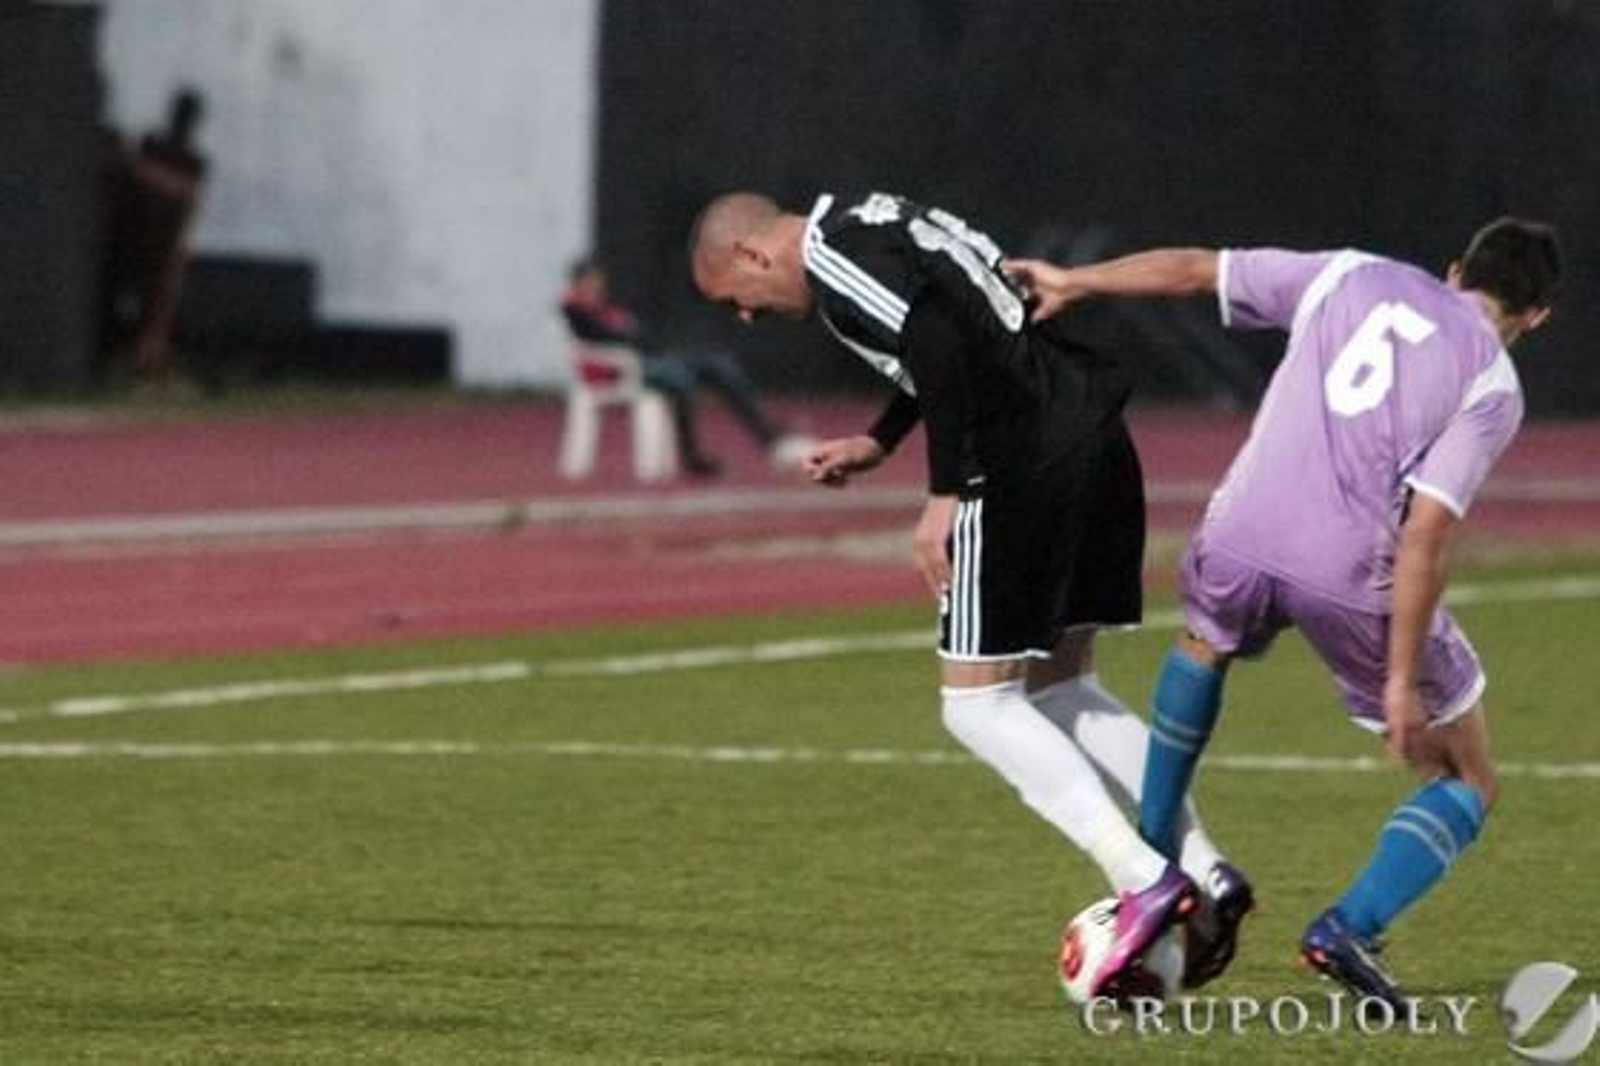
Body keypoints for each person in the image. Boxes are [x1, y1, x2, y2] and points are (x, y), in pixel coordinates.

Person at [689, 190, 1255, 999]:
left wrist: (947, 491)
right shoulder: (875, 219)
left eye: (733, 301)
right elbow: (958, 328)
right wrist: (882, 438)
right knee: (1063, 685)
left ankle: (1141, 878)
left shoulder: (832, 257)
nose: (745, 317)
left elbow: (940, 337)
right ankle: (1206, 868)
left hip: (1019, 456)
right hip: (1089, 429)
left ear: (752, 255)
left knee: (975, 705)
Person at [1006, 217, 1562, 1007]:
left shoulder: (1351, 272)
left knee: (1202, 645)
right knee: (1468, 776)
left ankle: (1155, 863)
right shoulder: (1492, 383)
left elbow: (1196, 266)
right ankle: (1350, 927)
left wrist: (1079, 282)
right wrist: (1400, 680)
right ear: (1537, 316)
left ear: (1452, 269)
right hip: (1347, 569)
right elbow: (1427, 533)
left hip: (1240, 528)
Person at [559, 256, 810, 477]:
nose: (597, 286)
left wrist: (635, 334)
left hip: (647, 361)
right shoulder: (574, 310)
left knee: (718, 367)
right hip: (619, 373)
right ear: (579, 283)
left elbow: (640, 336)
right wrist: (631, 333)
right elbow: (615, 338)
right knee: (681, 381)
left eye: (598, 280)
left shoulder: (605, 307)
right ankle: (691, 457)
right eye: (591, 281)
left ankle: (769, 436)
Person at [97, 86, 210, 379]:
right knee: (112, 307)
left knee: (154, 321)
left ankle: (145, 367)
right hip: (131, 244)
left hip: (163, 255)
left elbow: (183, 194)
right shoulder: (152, 146)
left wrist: (138, 168)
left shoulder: (192, 162)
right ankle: (114, 362)